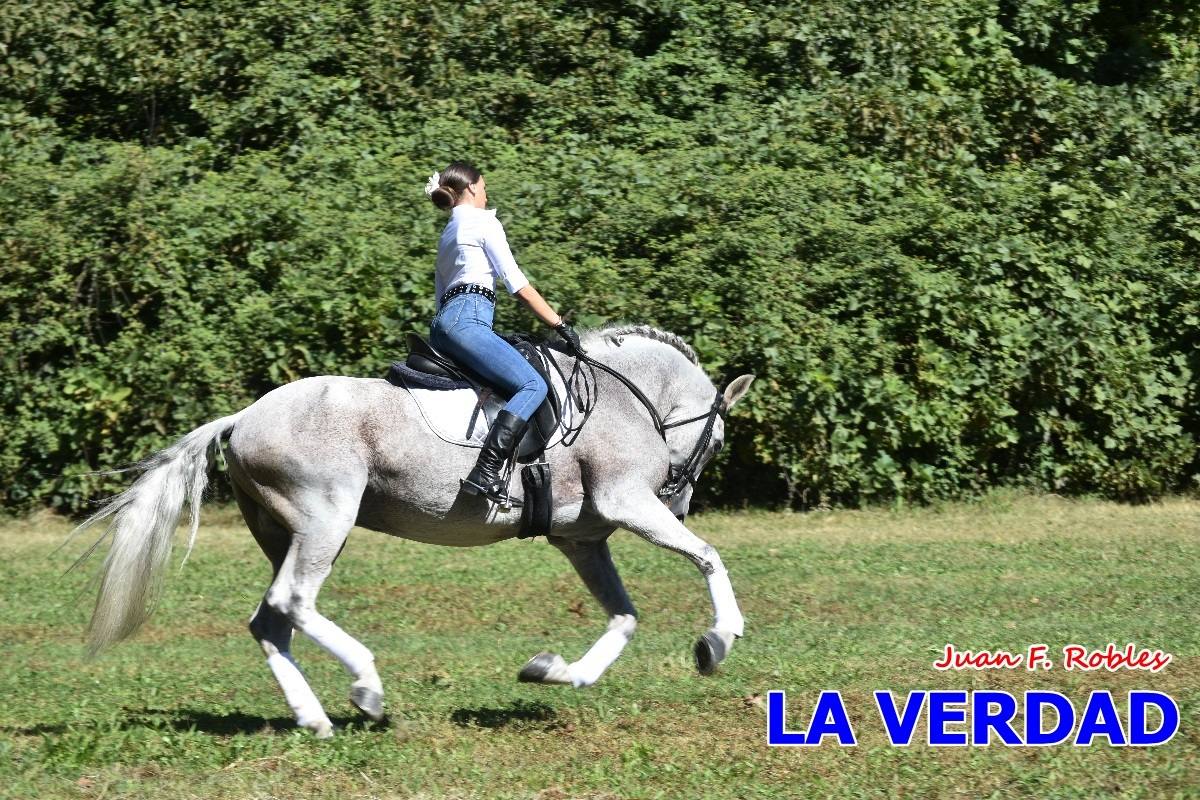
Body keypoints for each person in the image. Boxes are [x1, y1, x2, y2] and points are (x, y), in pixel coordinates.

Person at [425, 161, 584, 505]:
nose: (485, 194)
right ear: (470, 189)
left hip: (443, 325)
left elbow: (441, 295)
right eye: (483, 187)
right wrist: (558, 324)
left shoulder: (447, 233)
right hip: (468, 320)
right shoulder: (483, 222)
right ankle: (486, 471)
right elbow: (517, 284)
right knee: (533, 385)